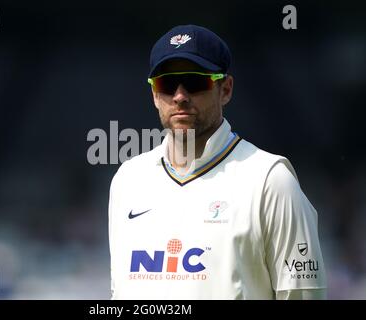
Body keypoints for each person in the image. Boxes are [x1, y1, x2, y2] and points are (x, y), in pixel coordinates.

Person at [108, 24, 327, 299]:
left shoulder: (270, 181)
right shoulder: (128, 180)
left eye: (195, 81)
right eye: (166, 84)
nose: (179, 96)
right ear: (154, 95)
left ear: (225, 89)